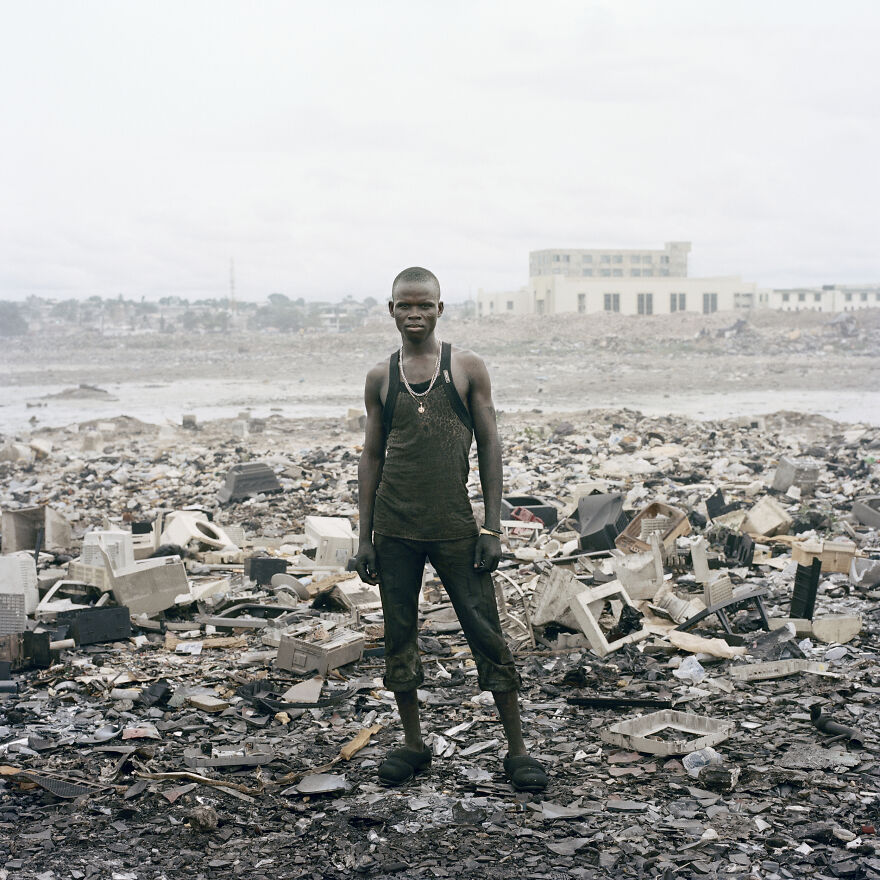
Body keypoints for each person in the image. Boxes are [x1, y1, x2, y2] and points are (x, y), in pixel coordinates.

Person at [352, 266, 547, 793]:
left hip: (455, 526)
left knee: (485, 630)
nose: (413, 314)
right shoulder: (380, 377)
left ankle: (517, 749)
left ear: (440, 309)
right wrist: (364, 537)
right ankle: (414, 744)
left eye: (424, 305)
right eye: (403, 306)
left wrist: (493, 527)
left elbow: (490, 447)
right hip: (395, 528)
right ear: (390, 311)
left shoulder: (465, 368)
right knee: (399, 635)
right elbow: (372, 457)